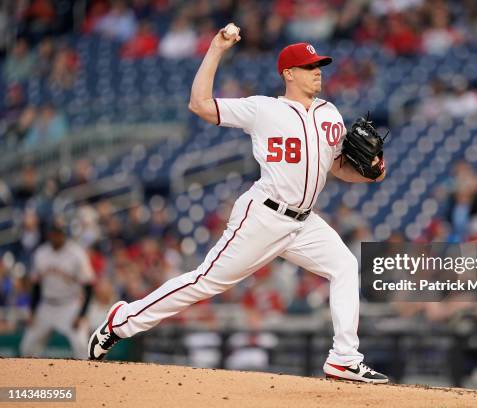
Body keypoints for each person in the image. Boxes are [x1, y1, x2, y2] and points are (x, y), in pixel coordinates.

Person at [89, 23, 389, 384]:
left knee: (343, 264)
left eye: (320, 66)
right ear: (288, 74)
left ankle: (343, 358)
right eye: (310, 67)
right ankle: (121, 320)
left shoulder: (330, 114)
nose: (318, 73)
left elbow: (339, 168)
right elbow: (199, 105)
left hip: (304, 221)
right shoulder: (262, 109)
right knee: (205, 282)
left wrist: (373, 173)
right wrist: (216, 48)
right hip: (264, 215)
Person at [20, 218, 95, 359]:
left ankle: (87, 379)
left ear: (65, 234)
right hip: (46, 306)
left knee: (82, 347)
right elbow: (36, 286)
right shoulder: (41, 254)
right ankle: (29, 379)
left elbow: (89, 286)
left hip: (70, 305)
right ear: (49, 234)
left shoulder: (77, 254)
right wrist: (32, 310)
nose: (56, 236)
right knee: (27, 346)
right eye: (54, 233)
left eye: (59, 233)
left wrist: (82, 314)